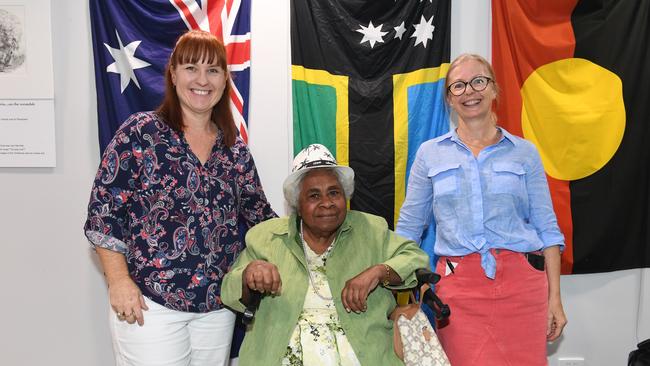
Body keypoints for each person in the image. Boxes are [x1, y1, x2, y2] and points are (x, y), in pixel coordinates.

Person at [84, 30, 276, 365]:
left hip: (217, 311)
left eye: (213, 70)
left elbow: (262, 216)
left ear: (225, 79)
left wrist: (319, 235)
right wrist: (118, 281)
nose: (202, 80)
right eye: (191, 68)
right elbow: (104, 215)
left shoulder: (234, 150)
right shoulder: (139, 133)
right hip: (149, 304)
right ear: (173, 74)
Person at [396, 54, 568, 366]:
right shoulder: (429, 155)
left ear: (493, 90)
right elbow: (408, 229)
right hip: (457, 292)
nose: (469, 92)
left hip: (523, 288)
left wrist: (554, 298)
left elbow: (548, 230)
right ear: (449, 99)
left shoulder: (525, 154)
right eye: (458, 86)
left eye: (478, 81)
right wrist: (401, 289)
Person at [221, 144, 429, 365]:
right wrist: (248, 275)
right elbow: (229, 290)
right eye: (313, 195)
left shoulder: (371, 230)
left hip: (363, 353)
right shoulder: (266, 237)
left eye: (334, 192)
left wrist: (378, 272)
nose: (327, 203)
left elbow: (415, 257)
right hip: (281, 355)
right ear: (297, 204)